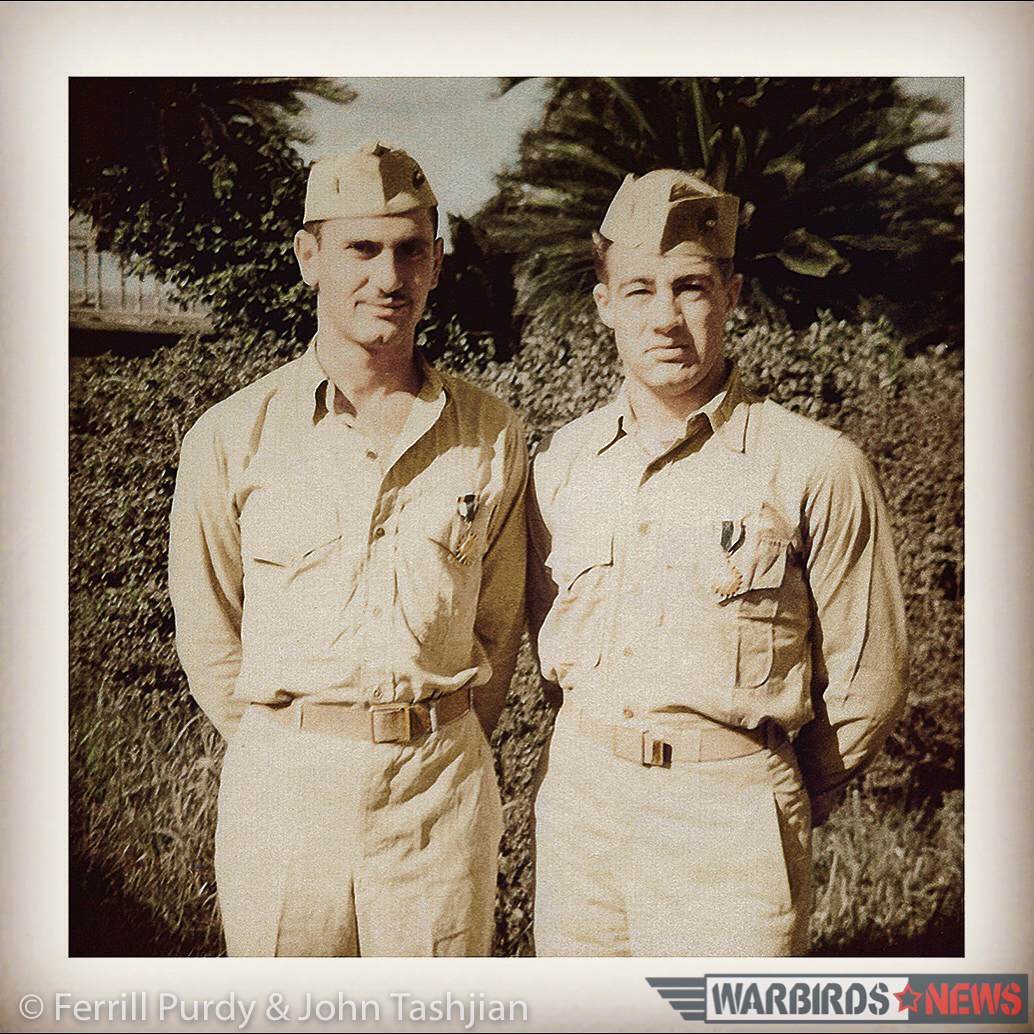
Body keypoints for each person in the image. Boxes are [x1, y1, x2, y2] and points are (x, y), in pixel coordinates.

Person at [527, 169, 907, 957]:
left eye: (691, 287)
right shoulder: (564, 463)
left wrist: (768, 791)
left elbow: (870, 679)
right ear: (604, 305)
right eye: (639, 290)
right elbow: (542, 629)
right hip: (582, 816)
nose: (665, 318)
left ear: (731, 294)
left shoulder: (815, 464)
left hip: (730, 823)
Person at [169, 143, 527, 957]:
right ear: (310, 257)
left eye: (410, 250)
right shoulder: (232, 437)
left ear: (436, 263)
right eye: (361, 249)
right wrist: (295, 741)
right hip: (286, 796)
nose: (388, 276)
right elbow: (209, 632)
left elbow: (499, 628)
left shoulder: (491, 433)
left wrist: (431, 733)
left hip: (439, 795)